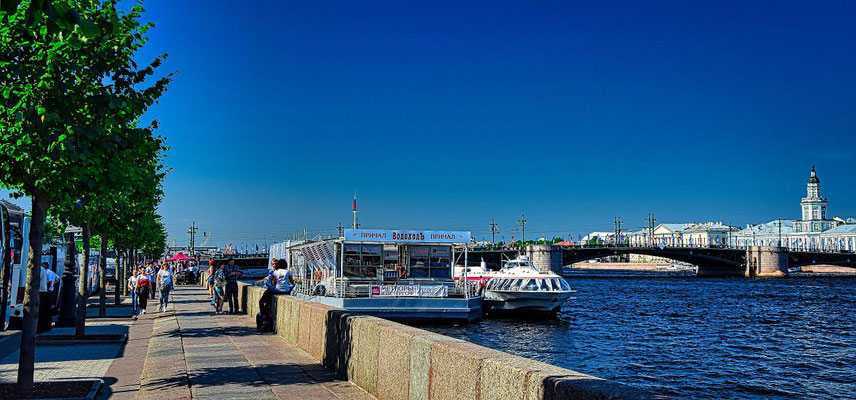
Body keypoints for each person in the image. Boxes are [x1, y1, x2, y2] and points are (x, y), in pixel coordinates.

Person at [257, 259, 294, 332]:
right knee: (267, 303)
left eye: (275, 264)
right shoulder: (287, 272)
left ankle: (264, 317)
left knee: (263, 302)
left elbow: (273, 283)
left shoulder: (275, 272)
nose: (274, 265)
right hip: (286, 290)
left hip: (276, 290)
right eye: (273, 264)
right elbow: (291, 282)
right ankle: (265, 317)